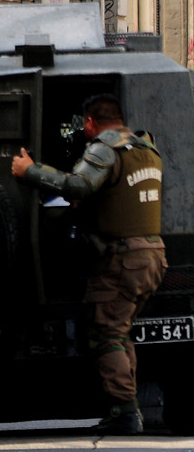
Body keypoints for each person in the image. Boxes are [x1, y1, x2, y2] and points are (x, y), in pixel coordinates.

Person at [10, 94, 166, 435]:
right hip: (152, 254)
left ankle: (126, 412)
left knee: (106, 334)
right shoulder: (146, 149)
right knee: (120, 331)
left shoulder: (104, 148)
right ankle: (125, 407)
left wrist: (29, 170)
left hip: (121, 259)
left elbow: (79, 185)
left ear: (90, 124)